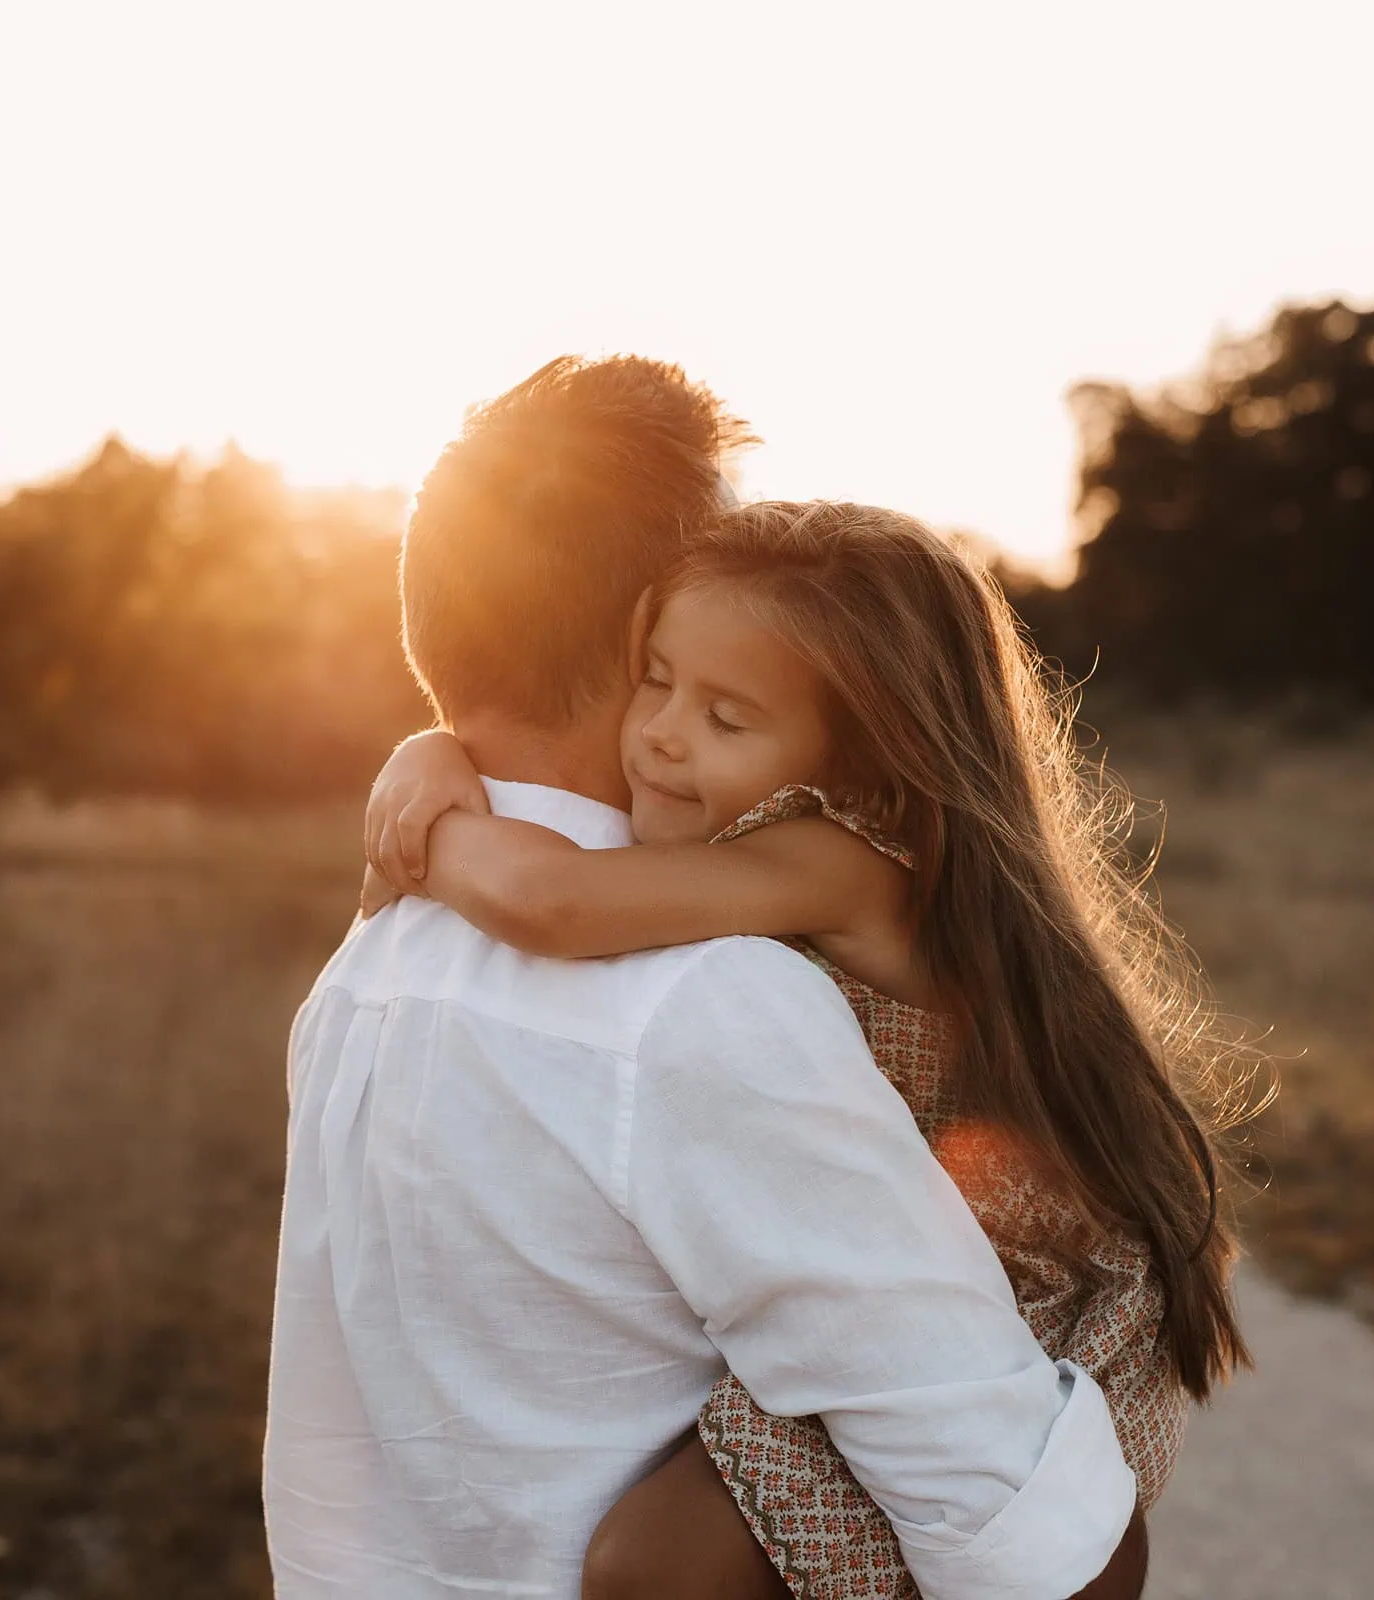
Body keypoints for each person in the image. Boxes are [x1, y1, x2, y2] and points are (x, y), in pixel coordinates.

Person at [264, 359, 1140, 1599]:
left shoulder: (364, 967)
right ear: (651, 631)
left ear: (431, 631)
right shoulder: (699, 1003)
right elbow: (1042, 1556)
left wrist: (423, 775)